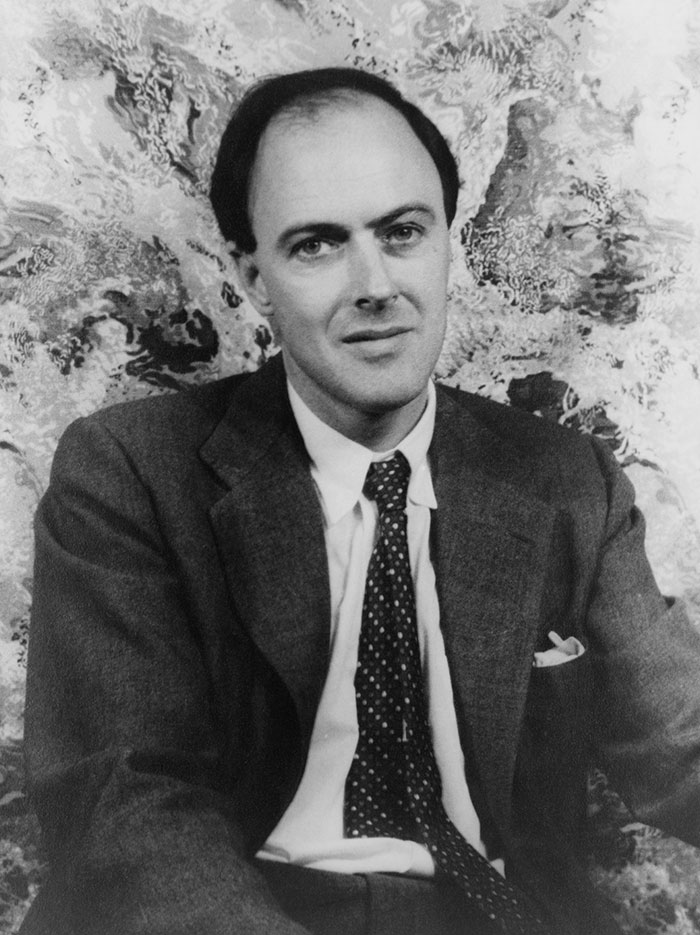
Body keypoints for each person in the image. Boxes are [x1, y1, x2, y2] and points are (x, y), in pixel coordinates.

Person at [20, 67, 700, 935]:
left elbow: (682, 744)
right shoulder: (130, 474)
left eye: (403, 230)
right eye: (317, 245)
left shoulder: (567, 480)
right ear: (252, 275)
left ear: (447, 240)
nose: (375, 283)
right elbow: (125, 807)